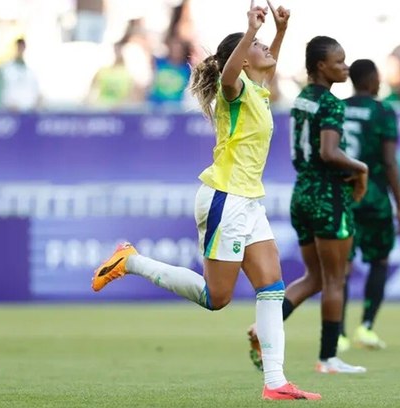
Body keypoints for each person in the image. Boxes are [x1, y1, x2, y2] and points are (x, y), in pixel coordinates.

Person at [91, 1, 320, 401]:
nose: (266, 49)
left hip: (249, 202)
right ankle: (130, 261)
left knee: (272, 288)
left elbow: (259, 65)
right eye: (259, 47)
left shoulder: (258, 90)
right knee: (218, 299)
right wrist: (249, 31)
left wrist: (280, 32)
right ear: (243, 60)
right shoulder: (233, 89)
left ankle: (275, 382)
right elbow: (232, 72)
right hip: (224, 199)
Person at [249, 35, 369, 374]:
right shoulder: (332, 104)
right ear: (321, 67)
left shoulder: (302, 99)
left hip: (301, 193)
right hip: (328, 195)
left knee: (314, 277)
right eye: (339, 62)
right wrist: (361, 168)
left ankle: (263, 329)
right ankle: (329, 358)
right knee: (334, 279)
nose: (346, 67)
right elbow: (329, 153)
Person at [338, 59, 400, 352]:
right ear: (369, 80)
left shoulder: (337, 108)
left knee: (340, 265)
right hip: (375, 196)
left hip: (344, 197)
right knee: (379, 261)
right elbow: (389, 161)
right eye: (377, 78)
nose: (380, 83)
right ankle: (365, 327)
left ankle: (337, 333)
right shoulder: (383, 111)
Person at [86, 42, 138, 109]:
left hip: (120, 111)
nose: (116, 53)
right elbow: (91, 92)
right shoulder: (102, 71)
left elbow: (131, 95)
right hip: (102, 108)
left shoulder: (128, 73)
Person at [1, 38, 40, 111]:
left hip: (29, 112)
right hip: (11, 111)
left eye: (22, 47)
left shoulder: (32, 69)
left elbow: (36, 91)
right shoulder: (6, 68)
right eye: (19, 47)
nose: (20, 50)